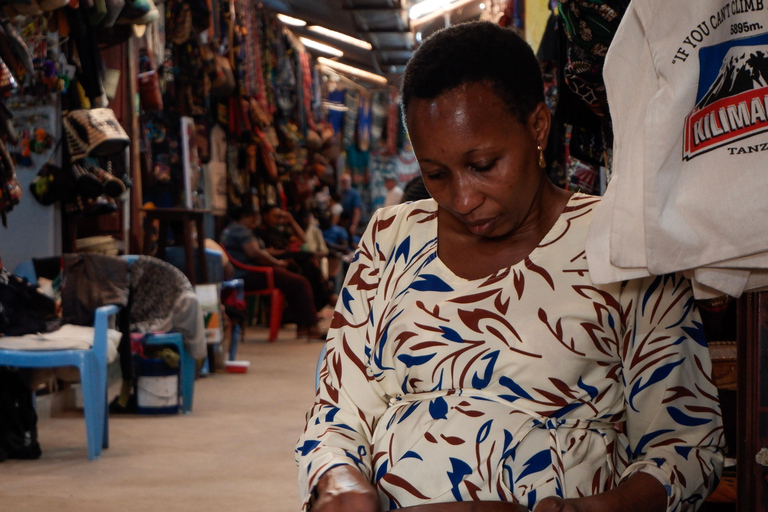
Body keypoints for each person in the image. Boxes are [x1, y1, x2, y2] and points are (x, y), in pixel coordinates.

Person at [296, 21, 724, 512]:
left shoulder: (621, 242)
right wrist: (339, 482)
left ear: (537, 127)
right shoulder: (391, 239)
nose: (462, 197)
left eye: (483, 165)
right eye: (436, 174)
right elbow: (336, 413)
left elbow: (686, 445)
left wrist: (602, 507)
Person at [220, 204, 322, 339]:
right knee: (300, 283)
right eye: (252, 220)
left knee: (293, 279)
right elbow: (254, 253)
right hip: (247, 274)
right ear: (245, 217)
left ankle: (303, 326)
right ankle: (312, 327)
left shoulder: (229, 230)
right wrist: (277, 263)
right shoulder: (241, 230)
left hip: (241, 272)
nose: (254, 223)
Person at [338, 173, 362, 240]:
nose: (344, 183)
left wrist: (354, 225)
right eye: (342, 181)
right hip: (340, 223)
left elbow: (357, 210)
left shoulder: (354, 194)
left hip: (350, 223)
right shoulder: (339, 193)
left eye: (345, 181)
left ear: (350, 182)